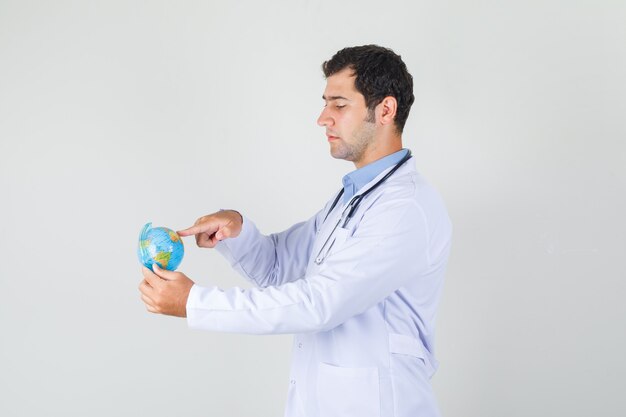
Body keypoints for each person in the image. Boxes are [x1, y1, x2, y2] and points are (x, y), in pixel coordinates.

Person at [139, 44, 452, 417]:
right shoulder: (351, 197)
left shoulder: (405, 208)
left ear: (385, 109)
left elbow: (319, 303)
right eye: (325, 103)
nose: (322, 118)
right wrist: (237, 231)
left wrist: (195, 302)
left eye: (339, 104)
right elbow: (279, 267)